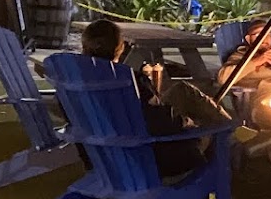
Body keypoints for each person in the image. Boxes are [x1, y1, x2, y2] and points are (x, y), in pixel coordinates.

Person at [80, 19, 202, 176]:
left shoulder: (73, 83)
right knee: (211, 135)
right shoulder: (128, 81)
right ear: (119, 48)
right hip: (145, 162)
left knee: (182, 90)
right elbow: (159, 123)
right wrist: (185, 123)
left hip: (100, 162)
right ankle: (231, 137)